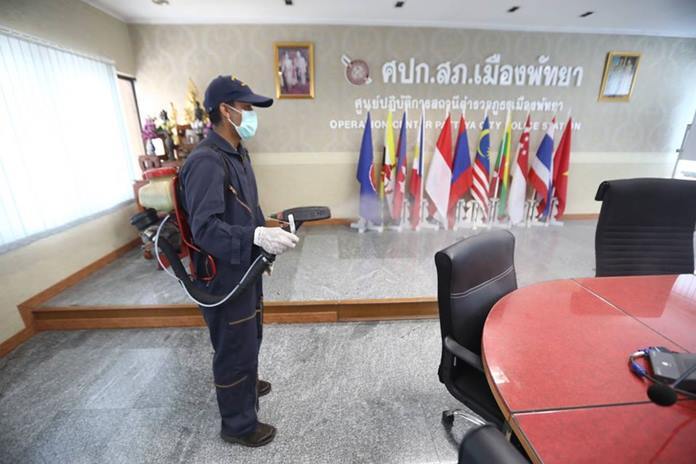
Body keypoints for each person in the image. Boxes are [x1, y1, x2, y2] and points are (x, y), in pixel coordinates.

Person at [179, 75, 299, 447]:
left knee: (250, 333)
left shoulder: (237, 153)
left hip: (245, 266)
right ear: (224, 112)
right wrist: (256, 236)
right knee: (234, 346)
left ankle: (245, 385)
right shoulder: (206, 162)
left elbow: (247, 209)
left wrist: (266, 225)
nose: (250, 115)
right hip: (223, 274)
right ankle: (238, 424)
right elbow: (205, 229)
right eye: (245, 108)